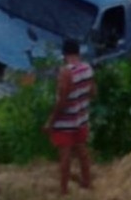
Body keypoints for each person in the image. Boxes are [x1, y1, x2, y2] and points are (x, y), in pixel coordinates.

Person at [43, 38, 95, 195]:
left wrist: (51, 121)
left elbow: (62, 100)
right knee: (82, 151)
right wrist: (81, 103)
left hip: (65, 120)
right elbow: (93, 92)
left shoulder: (66, 72)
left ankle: (63, 190)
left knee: (65, 155)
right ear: (78, 52)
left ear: (64, 54)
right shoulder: (87, 68)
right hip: (81, 117)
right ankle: (87, 182)